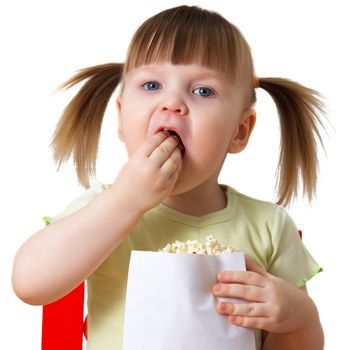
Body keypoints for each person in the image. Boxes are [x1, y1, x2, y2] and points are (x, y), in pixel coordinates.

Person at [12, 5, 325, 350]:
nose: (172, 103)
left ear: (239, 131)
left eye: (203, 91)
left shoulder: (268, 225)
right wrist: (126, 201)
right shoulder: (105, 207)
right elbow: (30, 284)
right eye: (151, 84)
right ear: (120, 118)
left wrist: (299, 319)